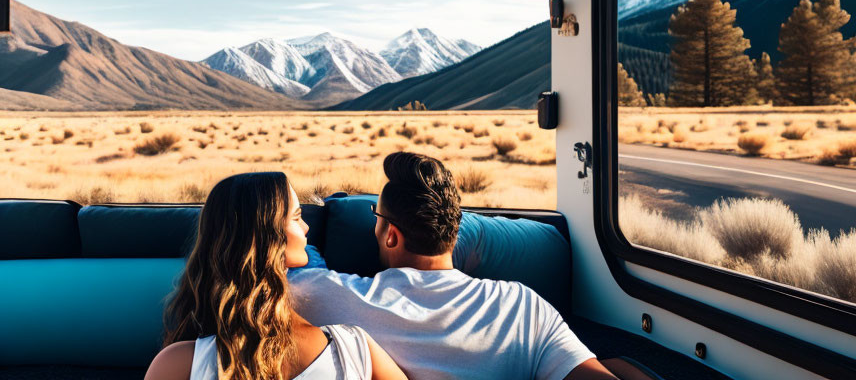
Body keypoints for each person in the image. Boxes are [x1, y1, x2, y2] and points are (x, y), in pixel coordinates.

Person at [289, 153, 620, 380]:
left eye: (376, 216)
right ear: (454, 230)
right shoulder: (523, 307)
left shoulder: (322, 297)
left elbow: (300, 267)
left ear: (391, 236)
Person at [144, 172, 407, 380]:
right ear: (271, 240)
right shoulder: (354, 350)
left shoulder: (179, 364)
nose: (306, 227)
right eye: (297, 217)